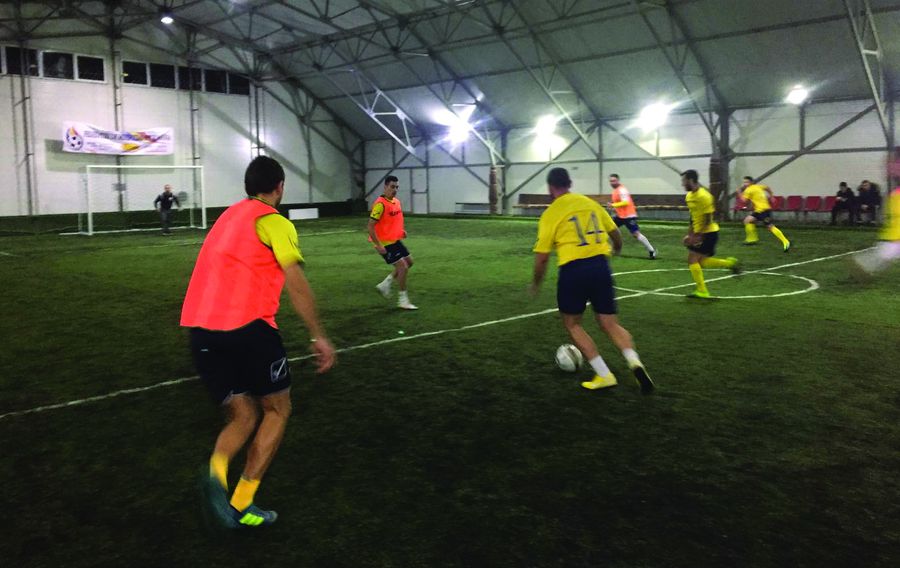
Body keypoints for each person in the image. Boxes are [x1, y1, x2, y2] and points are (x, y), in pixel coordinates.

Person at [181, 156, 336, 529]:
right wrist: (318, 334)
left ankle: (216, 474)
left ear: (247, 186)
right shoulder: (273, 221)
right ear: (280, 187)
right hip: (248, 329)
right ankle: (241, 503)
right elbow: (295, 282)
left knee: (243, 414)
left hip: (200, 331)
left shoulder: (227, 217)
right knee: (277, 410)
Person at [530, 167, 654, 393]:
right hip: (600, 266)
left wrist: (536, 283)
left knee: (572, 324)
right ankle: (634, 362)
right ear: (569, 184)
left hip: (573, 270)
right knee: (610, 323)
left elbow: (542, 257)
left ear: (550, 188)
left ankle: (604, 374)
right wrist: (617, 248)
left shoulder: (551, 213)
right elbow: (615, 233)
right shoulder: (590, 204)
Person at [681, 169, 740, 299]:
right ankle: (730, 264)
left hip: (708, 233)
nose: (682, 184)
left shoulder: (704, 196)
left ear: (691, 180)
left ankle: (702, 291)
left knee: (692, 260)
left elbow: (708, 219)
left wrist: (698, 236)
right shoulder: (689, 196)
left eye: (684, 181)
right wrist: (689, 234)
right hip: (699, 233)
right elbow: (692, 217)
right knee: (701, 261)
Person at [369, 175, 417, 310]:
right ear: (385, 187)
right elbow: (370, 226)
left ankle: (385, 284)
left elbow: (393, 220)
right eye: (392, 187)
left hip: (395, 240)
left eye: (396, 187)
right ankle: (403, 300)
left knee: (410, 262)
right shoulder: (380, 204)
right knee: (403, 267)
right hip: (385, 243)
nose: (395, 189)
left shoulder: (396, 202)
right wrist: (378, 245)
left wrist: (401, 231)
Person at [850, 186, 900, 277]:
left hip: (892, 236)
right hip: (894, 237)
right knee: (880, 258)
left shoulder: (894, 195)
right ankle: (860, 266)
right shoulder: (896, 196)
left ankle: (860, 266)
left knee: (881, 258)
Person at [607, 174, 657, 259]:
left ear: (618, 181)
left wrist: (613, 205)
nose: (612, 182)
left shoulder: (622, 190)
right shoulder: (615, 191)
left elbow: (625, 202)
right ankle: (610, 250)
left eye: (614, 181)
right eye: (611, 181)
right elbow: (619, 203)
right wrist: (614, 206)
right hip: (620, 216)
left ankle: (651, 250)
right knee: (609, 229)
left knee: (636, 234)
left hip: (628, 216)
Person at [737, 176, 791, 252]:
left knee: (770, 227)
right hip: (760, 210)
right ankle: (752, 239)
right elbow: (767, 188)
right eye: (744, 182)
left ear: (751, 182)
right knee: (747, 220)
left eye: (746, 182)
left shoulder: (748, 190)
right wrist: (771, 196)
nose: (745, 184)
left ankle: (785, 241)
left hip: (763, 211)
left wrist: (739, 192)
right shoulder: (758, 186)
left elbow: (744, 200)